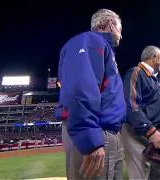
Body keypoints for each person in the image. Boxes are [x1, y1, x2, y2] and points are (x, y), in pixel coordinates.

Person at [57, 9, 125, 179]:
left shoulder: (101, 46)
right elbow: (80, 88)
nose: (121, 36)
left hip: (107, 131)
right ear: (110, 24)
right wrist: (90, 140)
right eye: (120, 29)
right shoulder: (90, 40)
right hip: (96, 131)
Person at [122, 46, 160, 180]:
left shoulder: (152, 78)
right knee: (141, 175)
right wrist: (151, 131)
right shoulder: (136, 72)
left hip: (155, 131)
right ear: (154, 57)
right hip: (139, 133)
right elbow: (131, 106)